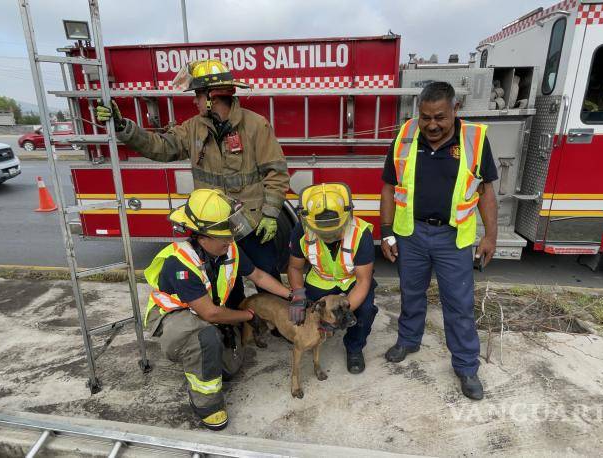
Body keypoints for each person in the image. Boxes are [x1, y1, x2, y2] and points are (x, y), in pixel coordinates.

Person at [97, 59, 289, 309]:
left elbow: (276, 172)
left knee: (265, 273)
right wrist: (124, 128)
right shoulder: (193, 128)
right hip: (212, 225)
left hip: (251, 223)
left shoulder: (255, 125)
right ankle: (234, 327)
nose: (194, 101)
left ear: (212, 97)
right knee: (224, 279)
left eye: (198, 95)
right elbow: (161, 147)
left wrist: (270, 214)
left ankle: (279, 324)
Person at [379, 81, 498, 400]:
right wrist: (386, 231)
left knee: (458, 303)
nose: (432, 124)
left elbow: (486, 192)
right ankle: (408, 340)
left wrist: (490, 235)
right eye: (426, 116)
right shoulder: (405, 136)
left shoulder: (475, 140)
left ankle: (466, 366)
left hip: (453, 238)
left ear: (455, 110)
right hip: (411, 235)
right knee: (411, 292)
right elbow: (389, 187)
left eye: (440, 117)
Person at [142, 188, 292, 431]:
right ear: (202, 238)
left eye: (230, 236)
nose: (230, 241)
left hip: (207, 312)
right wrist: (248, 316)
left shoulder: (228, 250)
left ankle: (205, 358)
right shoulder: (179, 263)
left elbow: (259, 275)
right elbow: (210, 313)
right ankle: (206, 404)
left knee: (230, 368)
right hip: (176, 320)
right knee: (205, 339)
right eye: (223, 237)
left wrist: (291, 294)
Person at [286, 183, 377, 374]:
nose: (329, 236)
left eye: (334, 231)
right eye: (323, 232)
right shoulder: (301, 230)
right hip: (320, 280)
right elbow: (294, 267)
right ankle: (312, 338)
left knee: (365, 310)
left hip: (351, 281)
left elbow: (363, 281)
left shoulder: (361, 233)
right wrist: (298, 295)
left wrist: (342, 314)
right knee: (307, 311)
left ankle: (354, 348)